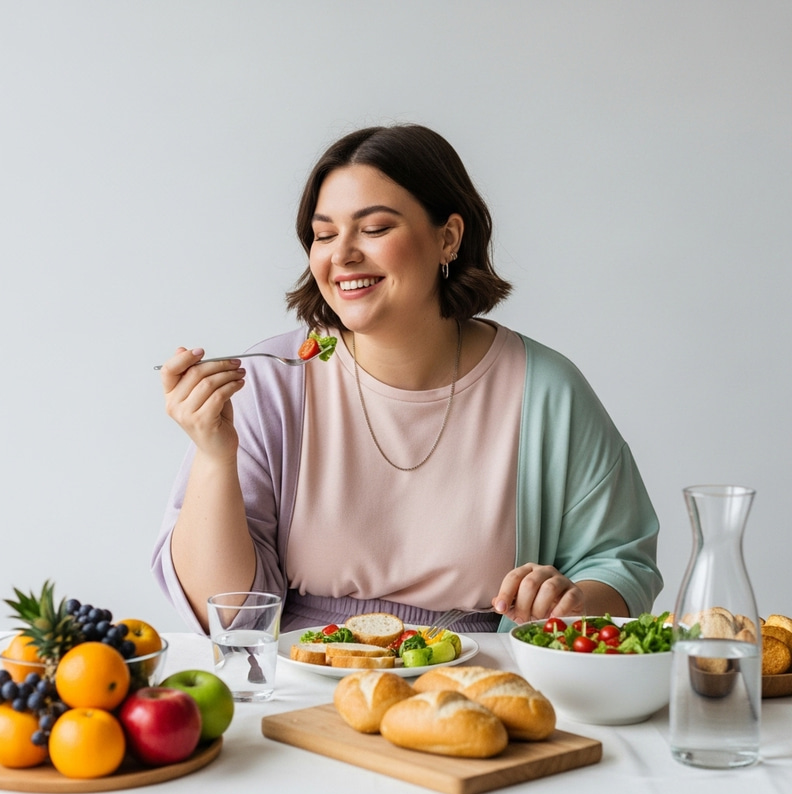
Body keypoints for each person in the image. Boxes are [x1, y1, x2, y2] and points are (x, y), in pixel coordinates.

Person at [153, 123, 662, 635]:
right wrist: (215, 454)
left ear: (449, 238)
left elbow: (623, 565)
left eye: (373, 229)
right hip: (304, 676)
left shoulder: (546, 388)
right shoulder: (271, 383)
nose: (342, 254)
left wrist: (569, 603)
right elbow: (228, 612)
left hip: (481, 681)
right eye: (324, 234)